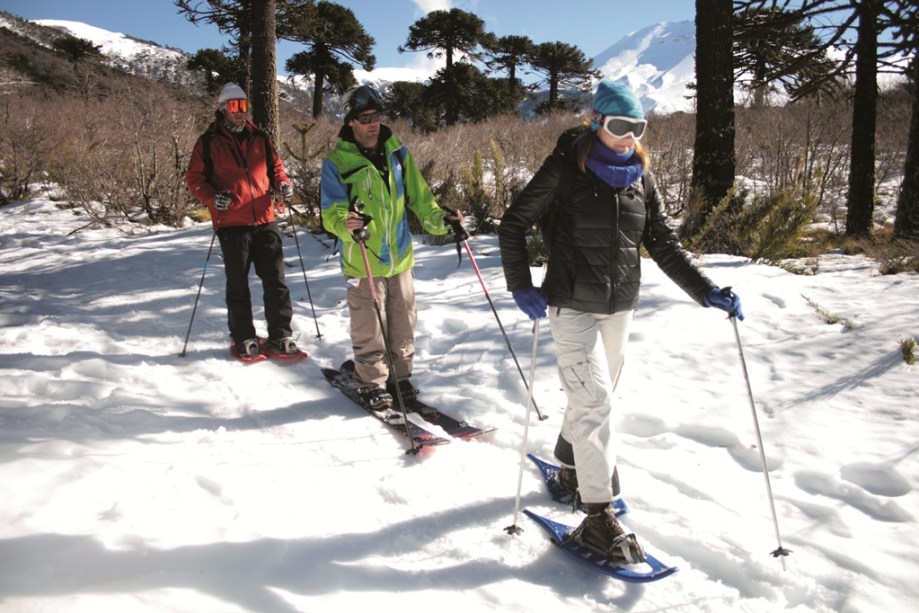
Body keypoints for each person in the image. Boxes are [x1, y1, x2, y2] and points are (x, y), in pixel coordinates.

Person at [498, 79, 743, 564]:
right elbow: (513, 223)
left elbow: (665, 243)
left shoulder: (640, 176)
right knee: (594, 401)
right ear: (596, 122)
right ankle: (597, 516)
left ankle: (571, 466)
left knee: (597, 395)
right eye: (619, 125)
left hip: (621, 308)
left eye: (638, 127)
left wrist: (705, 290)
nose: (629, 136)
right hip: (570, 305)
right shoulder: (566, 167)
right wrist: (521, 284)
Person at [320, 85, 465, 410]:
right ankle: (370, 381)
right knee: (369, 324)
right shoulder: (337, 162)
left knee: (403, 321)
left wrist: (443, 221)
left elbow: (420, 198)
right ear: (351, 122)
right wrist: (345, 222)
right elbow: (330, 209)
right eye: (364, 118)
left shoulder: (397, 152)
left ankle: (399, 377)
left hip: (399, 257)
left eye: (376, 116)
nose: (373, 123)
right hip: (362, 258)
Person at [185, 82, 300, 360]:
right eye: (234, 106)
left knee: (275, 279)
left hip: (264, 217)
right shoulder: (208, 142)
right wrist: (213, 198)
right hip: (232, 222)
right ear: (223, 109)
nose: (240, 111)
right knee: (237, 283)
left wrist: (283, 183)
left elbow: (276, 169)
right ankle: (243, 336)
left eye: (244, 105)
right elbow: (194, 179)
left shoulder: (260, 137)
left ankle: (280, 335)